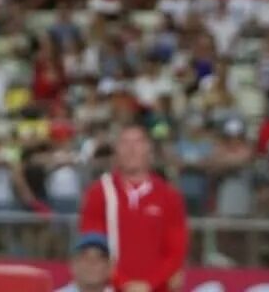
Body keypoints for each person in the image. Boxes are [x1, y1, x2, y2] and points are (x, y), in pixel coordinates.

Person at [77, 124, 188, 292]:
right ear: (116, 150)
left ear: (148, 148)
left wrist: (149, 284)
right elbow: (93, 248)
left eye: (137, 142)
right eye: (125, 143)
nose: (131, 149)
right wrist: (123, 284)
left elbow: (175, 251)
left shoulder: (169, 196)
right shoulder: (99, 193)